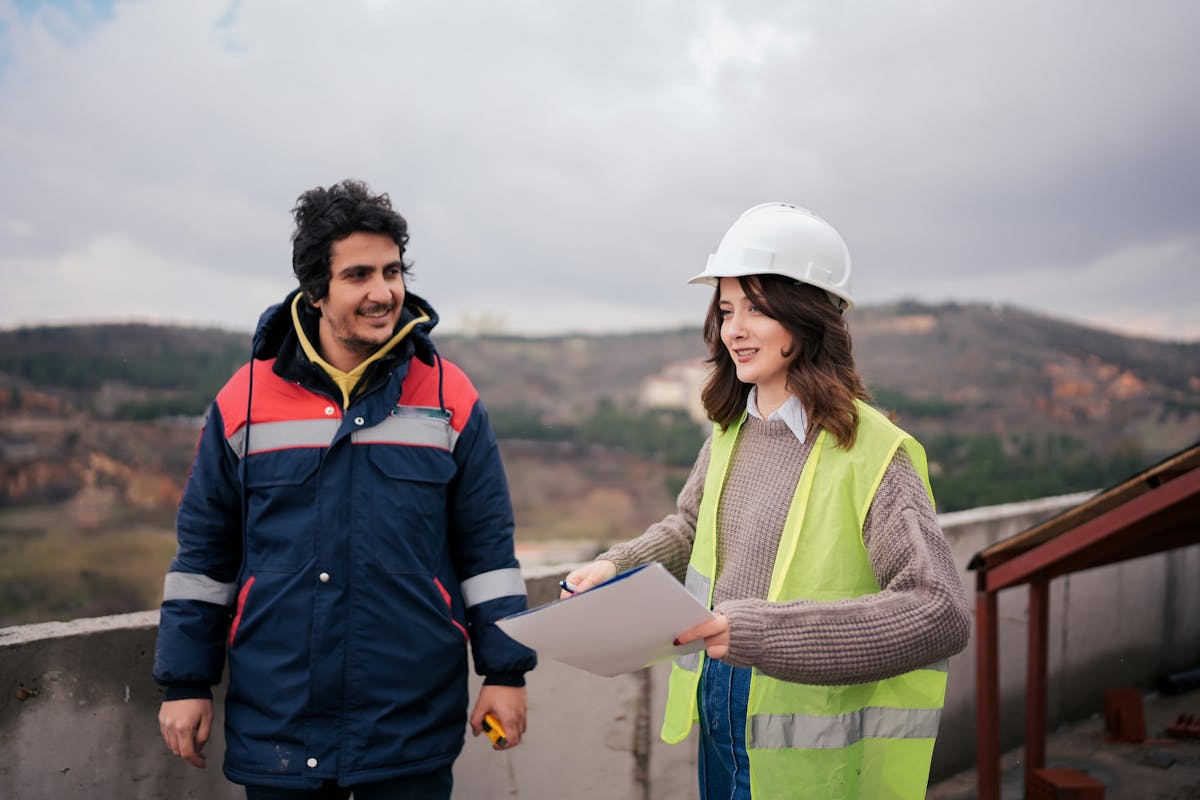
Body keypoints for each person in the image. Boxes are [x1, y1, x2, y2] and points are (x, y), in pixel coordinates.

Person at [563, 203, 971, 799]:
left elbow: (939, 611)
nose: (734, 329)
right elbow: (692, 526)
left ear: (807, 318)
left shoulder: (875, 453)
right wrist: (616, 564)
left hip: (806, 729)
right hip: (719, 694)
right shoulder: (732, 430)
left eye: (756, 308)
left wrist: (760, 632)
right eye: (726, 310)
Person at [154, 179, 535, 799]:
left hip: (408, 722)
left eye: (392, 271)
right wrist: (186, 683)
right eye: (359, 275)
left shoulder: (448, 396)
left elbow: (487, 552)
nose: (383, 292)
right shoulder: (245, 398)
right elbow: (204, 555)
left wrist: (506, 671)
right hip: (278, 724)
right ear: (316, 290)